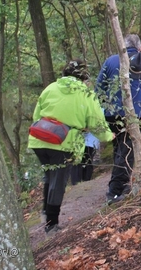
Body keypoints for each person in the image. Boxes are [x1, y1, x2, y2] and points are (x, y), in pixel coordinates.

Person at [28, 59, 113, 234]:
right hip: (63, 142)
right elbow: (97, 123)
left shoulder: (50, 88)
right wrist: (108, 136)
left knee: (50, 176)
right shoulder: (86, 94)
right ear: (84, 77)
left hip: (39, 139)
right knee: (58, 181)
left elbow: (36, 115)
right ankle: (51, 224)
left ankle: (46, 211)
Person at [96, 34, 141, 205]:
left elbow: (99, 89)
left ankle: (123, 185)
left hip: (111, 114)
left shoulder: (110, 61)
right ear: (139, 48)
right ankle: (114, 192)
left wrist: (101, 109)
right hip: (133, 114)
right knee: (127, 150)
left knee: (120, 148)